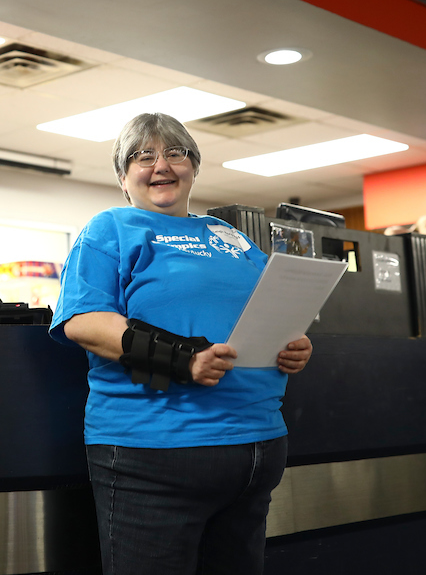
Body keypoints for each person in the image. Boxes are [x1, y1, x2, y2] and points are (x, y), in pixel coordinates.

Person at [48, 112, 313, 575]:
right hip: (154, 454)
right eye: (143, 156)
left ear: (194, 166)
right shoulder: (110, 228)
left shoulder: (228, 235)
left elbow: (264, 309)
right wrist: (183, 359)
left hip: (257, 446)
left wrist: (292, 343)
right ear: (123, 177)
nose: (161, 165)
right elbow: (84, 322)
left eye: (175, 153)